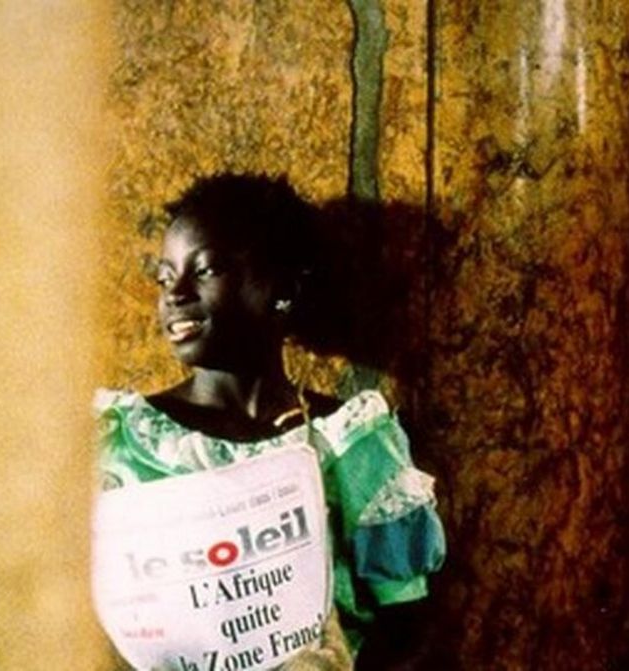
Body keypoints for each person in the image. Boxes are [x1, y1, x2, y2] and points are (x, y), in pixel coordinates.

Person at [93, 173, 445, 670]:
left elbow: (407, 623)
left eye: (207, 269)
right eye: (165, 277)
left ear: (281, 286)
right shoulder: (123, 446)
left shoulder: (348, 442)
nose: (176, 293)